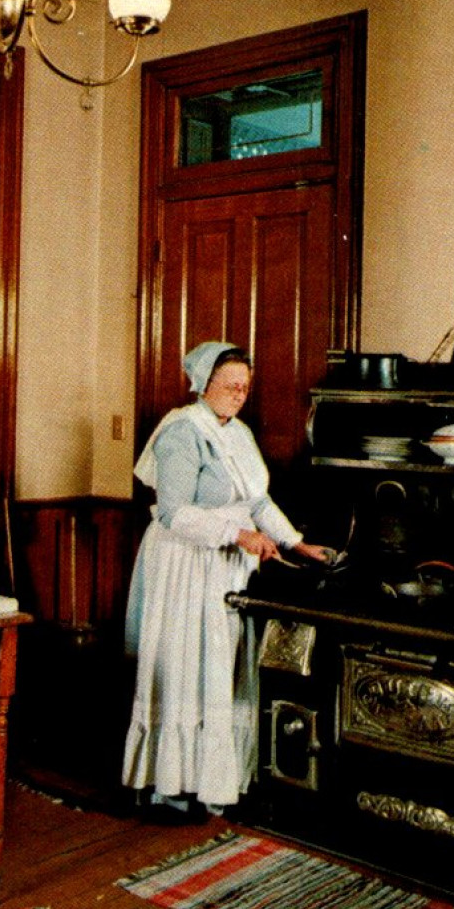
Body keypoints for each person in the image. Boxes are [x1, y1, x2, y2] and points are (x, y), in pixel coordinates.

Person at [122, 341, 328, 819]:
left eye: (244, 387)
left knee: (220, 669)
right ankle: (171, 785)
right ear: (203, 384)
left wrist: (296, 542)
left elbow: (257, 501)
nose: (239, 394)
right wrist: (237, 534)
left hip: (230, 563)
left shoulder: (238, 433)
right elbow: (173, 513)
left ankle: (214, 780)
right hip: (186, 565)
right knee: (186, 669)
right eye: (231, 385)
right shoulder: (181, 431)